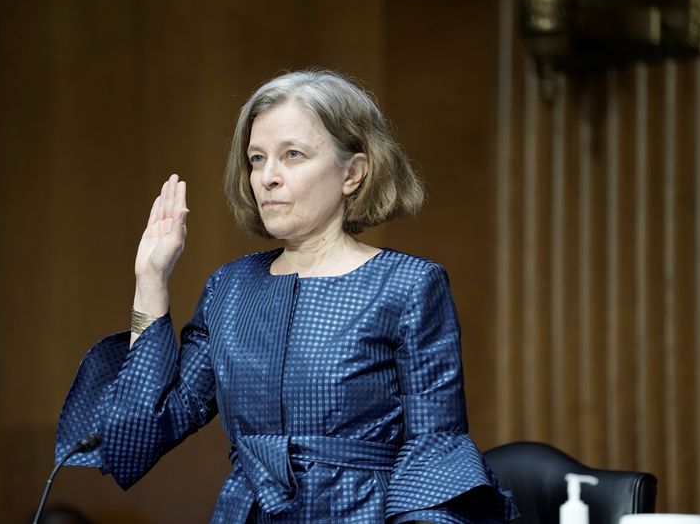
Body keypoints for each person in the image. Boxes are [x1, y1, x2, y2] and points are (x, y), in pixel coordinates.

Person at [55, 69, 519, 523]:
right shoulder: (229, 288)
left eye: (292, 154)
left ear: (352, 173)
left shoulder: (408, 284)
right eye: (257, 159)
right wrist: (150, 282)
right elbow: (137, 435)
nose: (267, 177)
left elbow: (433, 446)